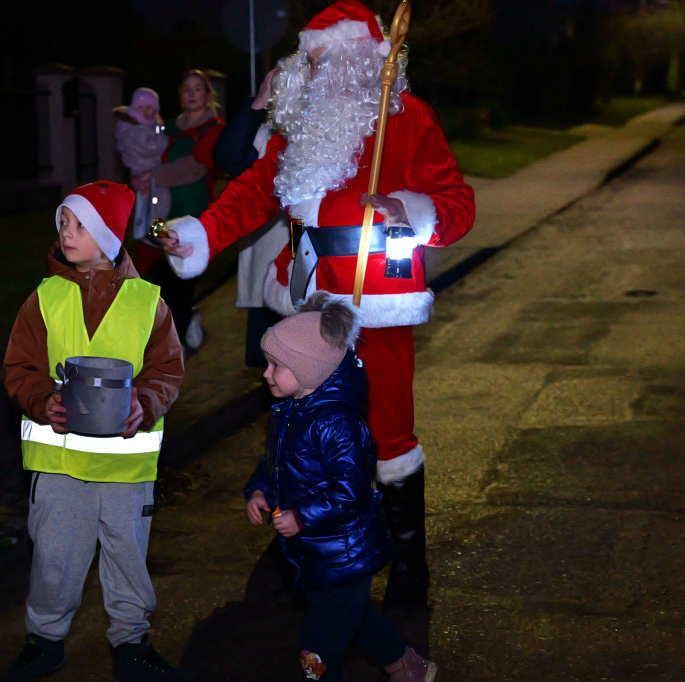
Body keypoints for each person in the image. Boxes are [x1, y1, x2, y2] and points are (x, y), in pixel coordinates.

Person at [160, 0, 476, 612]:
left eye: (328, 55)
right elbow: (252, 194)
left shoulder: (407, 120)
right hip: (308, 308)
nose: (316, 66)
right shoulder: (297, 126)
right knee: (304, 435)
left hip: (378, 308)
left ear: (365, 57)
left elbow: (458, 203)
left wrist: (409, 212)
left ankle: (410, 568)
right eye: (312, 56)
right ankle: (304, 555)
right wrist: (200, 234)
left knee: (387, 436)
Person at [2, 181, 189, 682]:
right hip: (59, 466)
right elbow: (19, 368)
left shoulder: (149, 302)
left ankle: (131, 644)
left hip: (125, 467)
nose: (67, 231)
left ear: (108, 234)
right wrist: (43, 401)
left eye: (80, 224)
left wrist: (145, 403)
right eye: (63, 221)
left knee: (128, 556)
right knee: (55, 558)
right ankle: (44, 641)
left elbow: (167, 371)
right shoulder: (42, 299)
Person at [244, 292, 437, 682]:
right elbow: (276, 462)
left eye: (276, 365)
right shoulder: (290, 408)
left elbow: (351, 491)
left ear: (309, 370)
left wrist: (301, 516)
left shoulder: (337, 424)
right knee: (351, 616)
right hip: (315, 550)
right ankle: (405, 664)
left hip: (343, 552)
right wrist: (259, 489)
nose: (266, 373)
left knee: (319, 646)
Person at [134, 70, 225, 357]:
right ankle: (168, 335)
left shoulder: (214, 128)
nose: (192, 93)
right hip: (159, 214)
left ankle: (177, 344)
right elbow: (144, 152)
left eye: (198, 88)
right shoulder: (167, 128)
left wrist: (152, 175)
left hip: (191, 216)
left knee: (180, 279)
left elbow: (195, 166)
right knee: (154, 273)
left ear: (208, 95)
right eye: (186, 88)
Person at [212, 66, 287, 367]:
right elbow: (229, 157)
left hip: (319, 276)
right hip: (269, 269)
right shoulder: (265, 132)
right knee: (270, 368)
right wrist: (257, 103)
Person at [113, 87, 171, 238]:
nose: (145, 111)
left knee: (155, 202)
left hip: (148, 170)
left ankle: (148, 231)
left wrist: (160, 128)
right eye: (141, 107)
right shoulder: (135, 128)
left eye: (150, 107)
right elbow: (150, 147)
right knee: (162, 198)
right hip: (144, 170)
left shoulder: (148, 125)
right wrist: (165, 139)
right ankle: (153, 231)